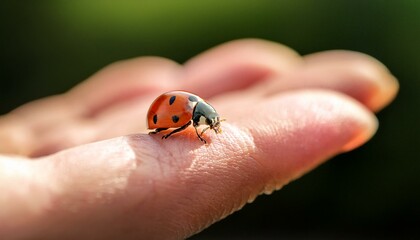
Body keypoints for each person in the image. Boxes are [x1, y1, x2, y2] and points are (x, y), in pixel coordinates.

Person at [0, 39, 398, 239]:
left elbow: (192, 119)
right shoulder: (189, 115)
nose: (210, 127)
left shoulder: (197, 112)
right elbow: (181, 122)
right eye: (209, 123)